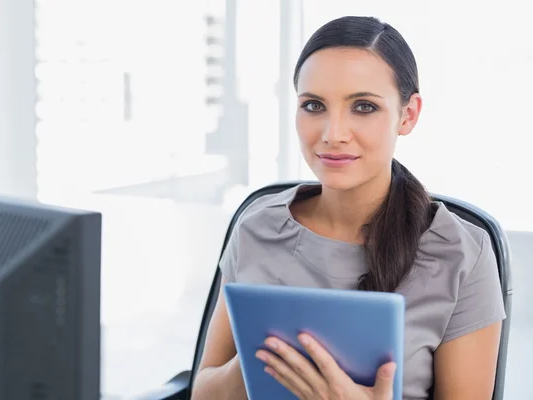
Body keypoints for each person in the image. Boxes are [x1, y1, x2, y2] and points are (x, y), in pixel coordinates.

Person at [191, 16, 505, 400]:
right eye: (313, 105)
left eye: (363, 107)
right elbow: (203, 392)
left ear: (408, 115)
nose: (333, 133)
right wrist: (274, 351)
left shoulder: (462, 254)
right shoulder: (258, 228)